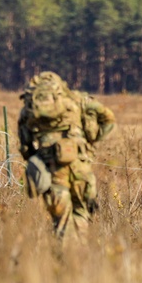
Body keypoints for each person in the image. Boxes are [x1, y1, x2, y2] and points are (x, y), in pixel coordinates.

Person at [18, 71, 115, 239]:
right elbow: (108, 118)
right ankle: (81, 256)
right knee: (82, 213)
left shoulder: (29, 110)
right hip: (80, 167)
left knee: (61, 222)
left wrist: (37, 158)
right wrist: (92, 140)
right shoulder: (78, 100)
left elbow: (25, 145)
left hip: (53, 170)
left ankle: (66, 260)